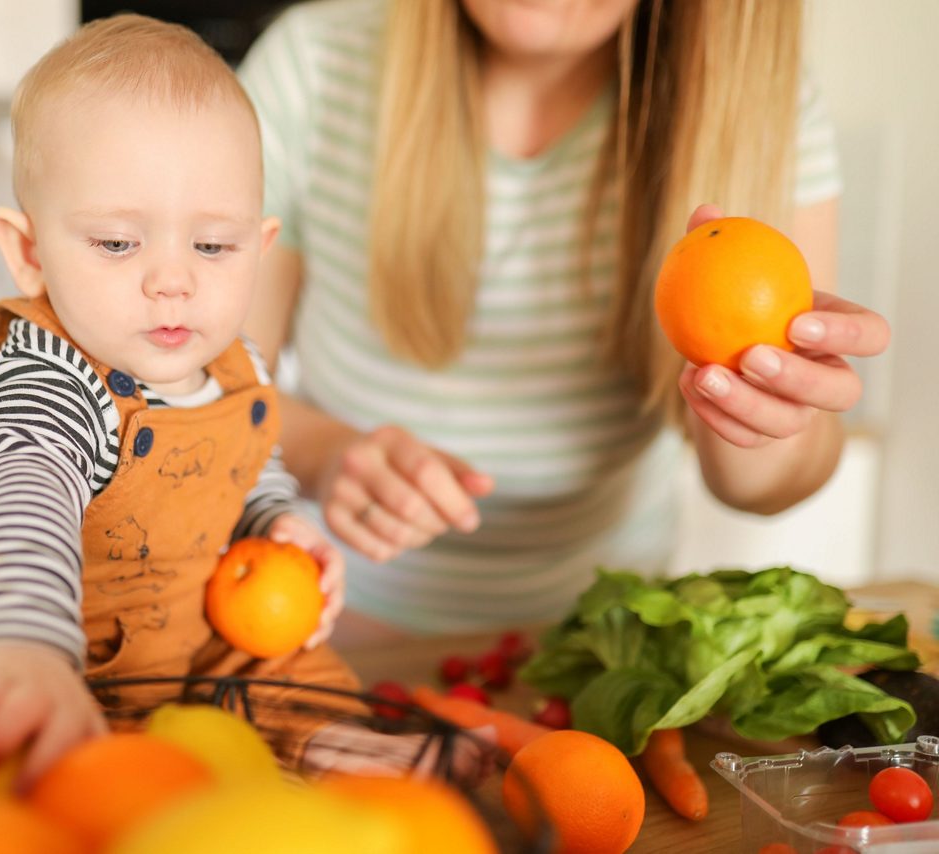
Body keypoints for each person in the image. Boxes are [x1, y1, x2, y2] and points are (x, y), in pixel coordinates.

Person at [0, 14, 477, 790]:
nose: (174, 280)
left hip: (182, 655)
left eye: (212, 246)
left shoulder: (234, 365)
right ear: (29, 253)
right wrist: (16, 648)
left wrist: (273, 522)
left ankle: (325, 737)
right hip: (29, 661)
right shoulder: (47, 381)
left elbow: (238, 470)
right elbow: (16, 505)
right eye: (119, 243)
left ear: (258, 250)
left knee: (278, 658)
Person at [238, 0, 890, 640]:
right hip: (336, 625)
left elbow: (773, 483)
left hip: (606, 645)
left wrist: (764, 412)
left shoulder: (759, 107)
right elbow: (212, 392)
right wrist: (327, 455)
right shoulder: (312, 66)